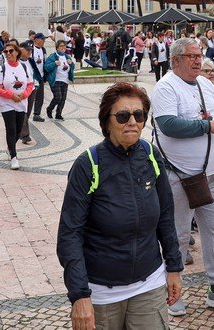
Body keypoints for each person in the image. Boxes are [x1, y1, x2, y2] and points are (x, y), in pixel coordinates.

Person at [57, 83, 183, 329]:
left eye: (139, 115)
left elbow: (166, 216)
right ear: (107, 121)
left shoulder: (151, 156)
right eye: (123, 116)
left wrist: (174, 267)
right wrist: (79, 295)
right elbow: (70, 234)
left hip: (149, 282)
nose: (132, 122)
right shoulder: (88, 164)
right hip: (102, 291)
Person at [150, 38, 214, 316]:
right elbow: (168, 125)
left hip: (210, 174)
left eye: (199, 55)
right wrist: (209, 126)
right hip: (178, 176)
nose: (198, 60)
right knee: (178, 234)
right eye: (191, 56)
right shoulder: (166, 87)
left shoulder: (205, 84)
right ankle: (171, 292)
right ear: (175, 60)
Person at [0, 41, 34, 170]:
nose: (8, 53)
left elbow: (30, 84)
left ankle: (10, 148)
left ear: (17, 52)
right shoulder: (2, 69)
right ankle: (14, 157)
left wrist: (24, 95)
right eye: (6, 51)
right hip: (6, 103)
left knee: (18, 130)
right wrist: (11, 95)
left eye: (11, 51)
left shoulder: (24, 67)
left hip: (21, 102)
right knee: (11, 128)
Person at [45, 39, 75, 120]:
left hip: (65, 80)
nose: (63, 48)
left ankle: (58, 114)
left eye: (64, 46)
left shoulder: (67, 56)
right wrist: (54, 63)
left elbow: (72, 67)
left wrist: (71, 64)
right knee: (58, 97)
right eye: (61, 46)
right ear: (57, 47)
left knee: (63, 99)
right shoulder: (53, 56)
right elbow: (46, 67)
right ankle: (49, 109)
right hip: (56, 80)